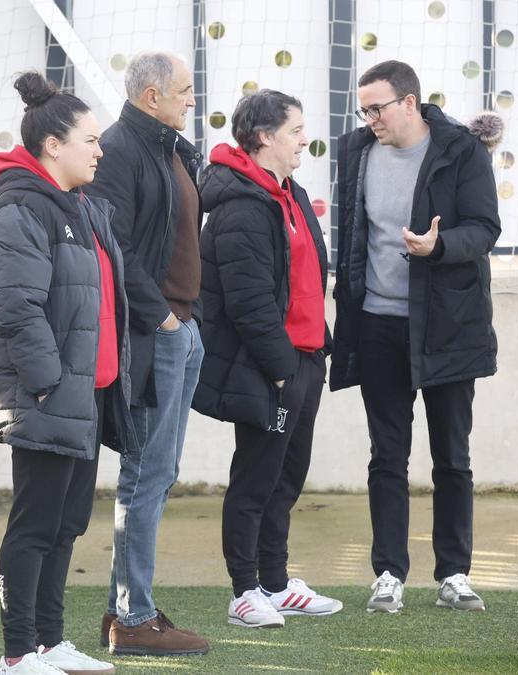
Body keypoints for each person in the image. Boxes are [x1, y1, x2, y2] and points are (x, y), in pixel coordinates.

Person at [331, 60, 500, 613]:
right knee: (388, 455)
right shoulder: (356, 150)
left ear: (409, 102)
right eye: (363, 109)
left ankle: (454, 573)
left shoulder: (460, 150)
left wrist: (439, 247)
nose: (369, 118)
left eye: (376, 107)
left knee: (452, 456)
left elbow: (485, 229)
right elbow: (351, 233)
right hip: (378, 326)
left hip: (449, 326)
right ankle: (389, 574)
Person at [0, 72, 130, 675]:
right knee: (35, 525)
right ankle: (19, 653)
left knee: (67, 525)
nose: (100, 151)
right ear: (53, 146)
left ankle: (49, 642)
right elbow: (16, 306)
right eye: (90, 141)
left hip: (84, 395)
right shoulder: (21, 207)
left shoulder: (82, 207)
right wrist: (48, 383)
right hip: (50, 394)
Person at [194, 90, 342, 628]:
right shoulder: (239, 205)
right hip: (270, 366)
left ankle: (275, 583)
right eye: (296, 130)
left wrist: (315, 351)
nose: (305, 139)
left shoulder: (290, 192)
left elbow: (306, 276)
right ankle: (244, 590)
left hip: (304, 359)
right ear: (264, 137)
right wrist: (282, 368)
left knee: (287, 476)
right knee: (256, 477)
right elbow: (250, 301)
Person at [82, 51, 210, 656]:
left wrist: (186, 321)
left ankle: (122, 615)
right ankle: (133, 618)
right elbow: (116, 248)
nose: (193, 99)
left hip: (181, 327)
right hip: (157, 332)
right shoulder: (121, 149)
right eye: (184, 91)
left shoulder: (169, 147)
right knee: (146, 475)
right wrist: (162, 318)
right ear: (152, 96)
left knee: (157, 474)